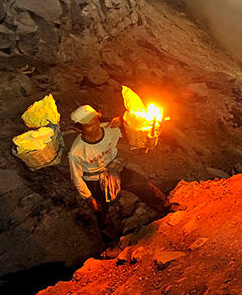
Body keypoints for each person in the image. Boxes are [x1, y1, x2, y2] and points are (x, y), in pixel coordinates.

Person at [68, 104, 182, 257]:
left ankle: (165, 206)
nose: (95, 126)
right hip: (94, 178)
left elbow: (130, 130)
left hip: (115, 169)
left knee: (141, 183)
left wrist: (127, 124)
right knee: (101, 211)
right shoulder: (77, 152)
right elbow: (76, 177)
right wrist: (89, 198)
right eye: (89, 125)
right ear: (79, 129)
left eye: (96, 121)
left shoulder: (109, 130)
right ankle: (112, 244)